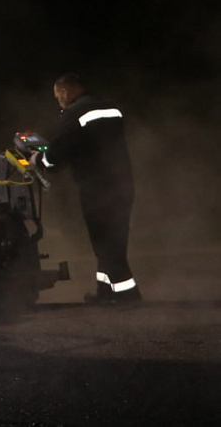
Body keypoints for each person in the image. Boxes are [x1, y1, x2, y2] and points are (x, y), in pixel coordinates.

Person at [31, 74, 141, 304]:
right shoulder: (111, 108)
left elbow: (56, 155)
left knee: (105, 243)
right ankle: (105, 291)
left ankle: (128, 294)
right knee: (114, 240)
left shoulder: (75, 114)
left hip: (97, 188)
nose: (59, 102)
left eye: (58, 97)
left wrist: (38, 159)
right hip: (123, 184)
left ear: (65, 91)